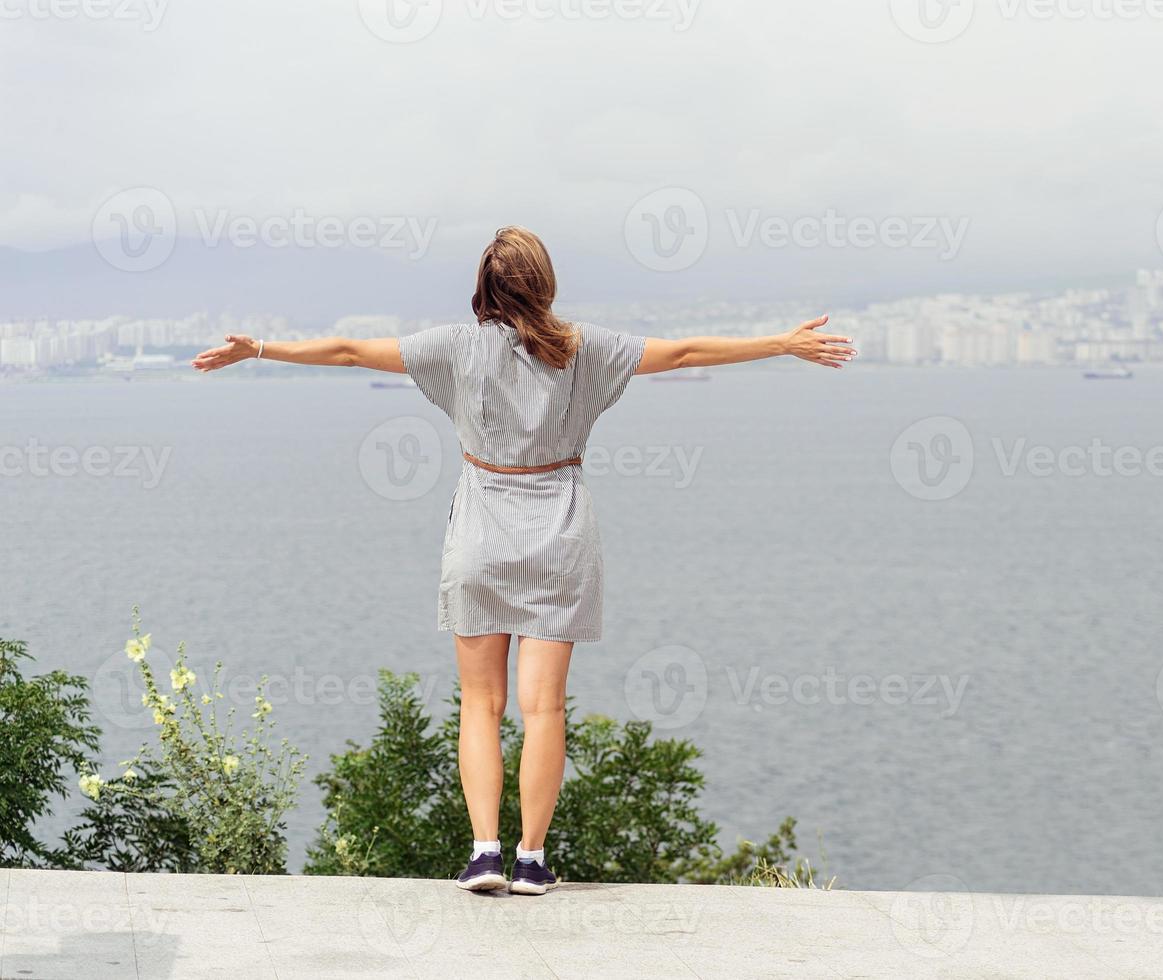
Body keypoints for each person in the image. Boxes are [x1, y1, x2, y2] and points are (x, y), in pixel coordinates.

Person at [191, 225, 854, 893]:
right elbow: (683, 353)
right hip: (560, 539)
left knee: (480, 705)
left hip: (480, 536)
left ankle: (484, 854)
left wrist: (261, 349)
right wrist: (783, 343)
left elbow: (346, 351)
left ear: (483, 286)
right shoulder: (584, 348)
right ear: (545, 282)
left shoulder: (454, 347)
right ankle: (532, 861)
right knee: (545, 711)